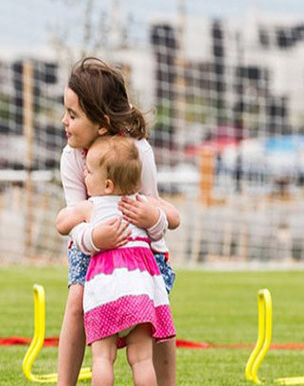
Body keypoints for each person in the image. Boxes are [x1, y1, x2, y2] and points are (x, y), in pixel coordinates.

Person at [57, 57, 180, 385]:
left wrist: (156, 237)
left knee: (159, 316)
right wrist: (97, 239)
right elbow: (75, 219)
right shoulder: (72, 157)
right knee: (75, 301)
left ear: (102, 122)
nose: (64, 121)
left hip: (140, 248)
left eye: (73, 115)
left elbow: (150, 203)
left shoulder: (137, 150)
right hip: (91, 248)